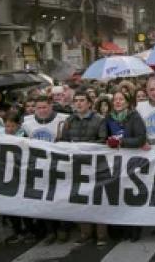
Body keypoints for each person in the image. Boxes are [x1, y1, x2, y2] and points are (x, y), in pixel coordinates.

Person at [59, 90, 110, 246]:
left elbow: (103, 141)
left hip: (95, 165)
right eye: (76, 101)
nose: (79, 103)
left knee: (97, 198)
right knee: (79, 198)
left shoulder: (99, 120)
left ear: (89, 103)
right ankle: (85, 232)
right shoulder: (69, 121)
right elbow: (63, 141)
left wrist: (83, 147)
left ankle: (101, 234)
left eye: (82, 100)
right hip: (76, 165)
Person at [23, 95, 69, 244]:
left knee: (60, 198)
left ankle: (63, 227)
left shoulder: (63, 119)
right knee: (44, 200)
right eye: (38, 108)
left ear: (51, 106)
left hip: (59, 166)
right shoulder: (27, 122)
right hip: (38, 167)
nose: (41, 111)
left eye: (44, 107)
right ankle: (50, 230)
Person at [106, 89, 149, 241]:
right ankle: (120, 229)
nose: (117, 102)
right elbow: (103, 138)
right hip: (115, 164)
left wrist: (121, 142)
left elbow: (140, 139)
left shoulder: (134, 117)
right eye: (115, 100)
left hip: (131, 163)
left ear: (128, 102)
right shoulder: (109, 118)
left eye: (121, 99)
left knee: (131, 195)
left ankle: (134, 229)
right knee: (117, 195)